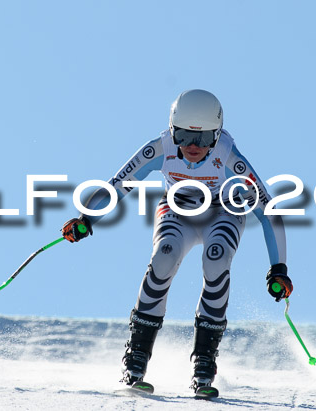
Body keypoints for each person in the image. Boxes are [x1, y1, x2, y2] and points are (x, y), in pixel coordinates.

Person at [61, 89, 292, 394]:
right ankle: (137, 355)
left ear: (217, 134)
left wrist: (279, 267)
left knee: (216, 258)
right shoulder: (160, 148)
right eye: (183, 135)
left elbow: (267, 210)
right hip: (177, 209)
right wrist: (86, 219)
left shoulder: (230, 158)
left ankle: (204, 362)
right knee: (163, 258)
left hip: (223, 212)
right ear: (172, 130)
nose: (193, 146)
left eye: (204, 138)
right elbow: (118, 185)